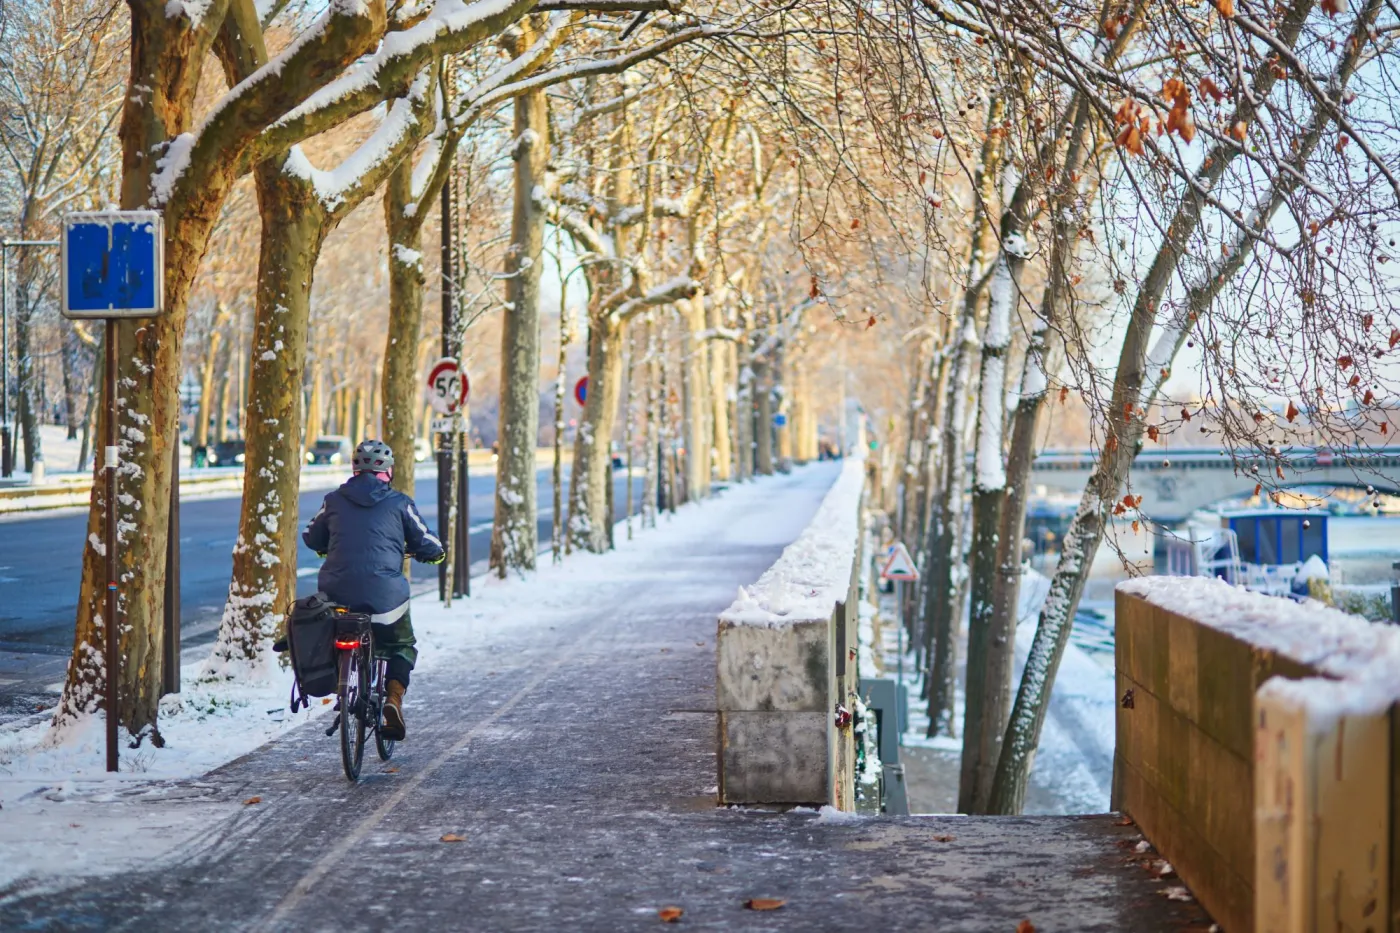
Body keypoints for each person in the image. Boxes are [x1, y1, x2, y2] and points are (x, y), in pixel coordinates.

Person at [303, 439, 444, 741]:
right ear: (388, 471)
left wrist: (326, 546)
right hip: (385, 598)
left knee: (336, 627)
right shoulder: (400, 503)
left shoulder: (333, 500)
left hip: (336, 596)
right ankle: (392, 700)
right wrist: (434, 555)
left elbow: (311, 536)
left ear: (354, 468)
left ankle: (342, 675)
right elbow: (430, 544)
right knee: (402, 645)